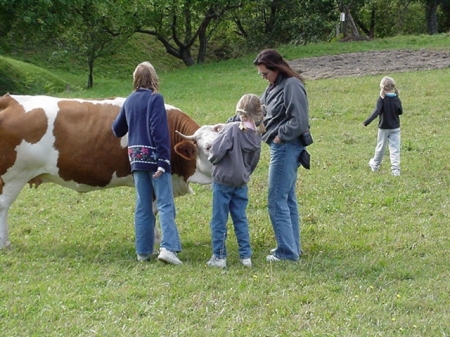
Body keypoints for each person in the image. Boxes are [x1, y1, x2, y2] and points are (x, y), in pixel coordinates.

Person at [111, 61, 182, 265]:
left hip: (136, 159)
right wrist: (163, 160)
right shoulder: (155, 99)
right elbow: (159, 130)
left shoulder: (130, 100)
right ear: (153, 78)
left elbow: (117, 129)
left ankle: (143, 251)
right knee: (165, 203)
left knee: (143, 205)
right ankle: (168, 248)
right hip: (155, 159)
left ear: (135, 79)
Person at [251, 49, 311, 262]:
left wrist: (279, 136)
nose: (264, 78)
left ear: (276, 68)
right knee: (287, 198)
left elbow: (300, 120)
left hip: (286, 147)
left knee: (276, 198)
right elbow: (257, 111)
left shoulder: (292, 86)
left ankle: (286, 252)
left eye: (265, 73)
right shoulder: (273, 87)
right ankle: (293, 247)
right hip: (281, 147)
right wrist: (231, 123)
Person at [206, 94, 265, 268]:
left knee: (219, 219)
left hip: (222, 181)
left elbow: (216, 154)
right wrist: (245, 173)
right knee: (240, 218)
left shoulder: (231, 129)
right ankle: (245, 256)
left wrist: (211, 152)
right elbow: (254, 160)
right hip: (241, 183)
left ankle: (219, 256)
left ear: (240, 111)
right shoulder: (256, 135)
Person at [363, 76, 403, 176]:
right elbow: (400, 112)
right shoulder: (396, 98)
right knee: (395, 149)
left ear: (382, 87)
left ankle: (375, 165)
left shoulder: (382, 99)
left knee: (380, 147)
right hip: (395, 127)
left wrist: (367, 121)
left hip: (384, 128)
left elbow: (377, 112)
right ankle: (395, 170)